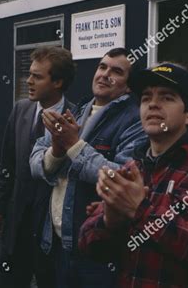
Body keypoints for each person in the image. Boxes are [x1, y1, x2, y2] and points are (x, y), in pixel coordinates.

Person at [79, 62, 188, 287]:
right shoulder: (133, 169)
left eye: (167, 97)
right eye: (146, 97)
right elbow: (89, 247)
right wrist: (110, 221)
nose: (152, 104)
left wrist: (141, 211)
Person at [30, 48, 147, 287]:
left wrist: (73, 145)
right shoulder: (80, 110)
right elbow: (34, 161)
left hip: (97, 250)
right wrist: (57, 151)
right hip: (58, 243)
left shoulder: (135, 120)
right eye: (102, 67)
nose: (105, 74)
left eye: (116, 71)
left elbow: (121, 178)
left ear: (128, 85)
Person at [0, 46, 76, 288]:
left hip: (51, 231)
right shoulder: (21, 110)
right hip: (17, 225)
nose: (28, 80)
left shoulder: (75, 120)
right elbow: (6, 163)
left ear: (58, 82)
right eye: (30, 74)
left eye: (37, 76)